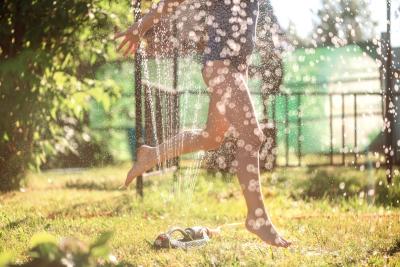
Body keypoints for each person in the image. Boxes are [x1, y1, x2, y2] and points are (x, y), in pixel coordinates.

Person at [115, 0, 291, 248]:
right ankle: (257, 218)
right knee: (252, 137)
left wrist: (243, 67)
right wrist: (141, 26)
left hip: (232, 68)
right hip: (221, 67)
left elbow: (241, 26)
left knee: (211, 137)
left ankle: (152, 154)